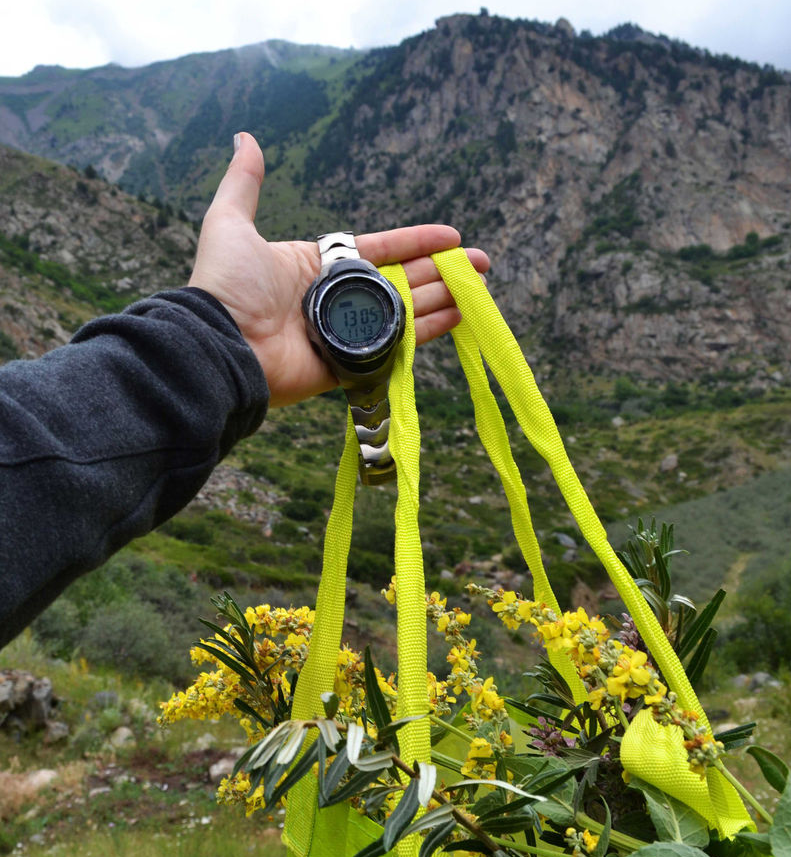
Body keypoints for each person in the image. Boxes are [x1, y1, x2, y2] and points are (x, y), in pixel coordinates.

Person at [0, 132, 490, 647]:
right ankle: (380, 459)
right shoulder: (319, 318)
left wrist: (211, 340)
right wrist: (221, 333)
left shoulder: (354, 310)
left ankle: (379, 459)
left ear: (387, 310)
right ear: (315, 314)